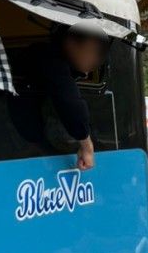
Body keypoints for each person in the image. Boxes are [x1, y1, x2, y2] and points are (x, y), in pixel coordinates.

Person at [27, 25, 109, 170]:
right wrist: (87, 146)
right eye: (93, 51)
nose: (97, 59)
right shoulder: (48, 57)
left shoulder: (65, 68)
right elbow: (70, 102)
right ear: (71, 43)